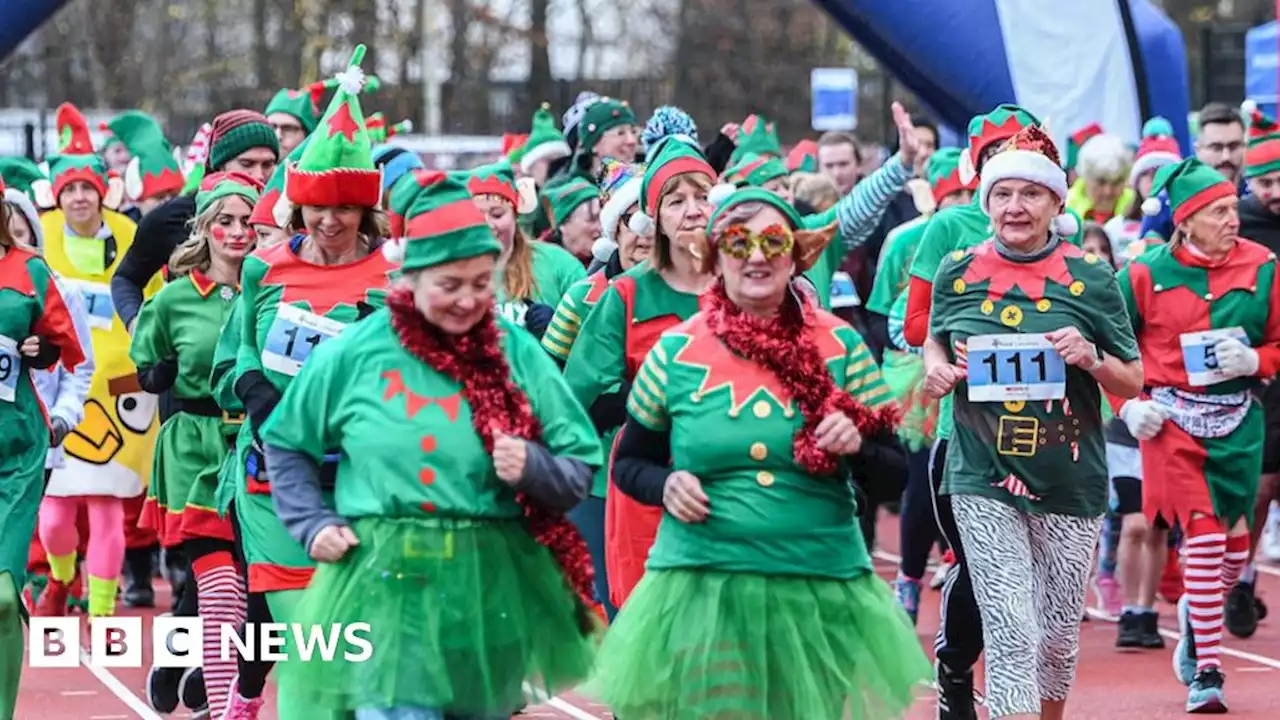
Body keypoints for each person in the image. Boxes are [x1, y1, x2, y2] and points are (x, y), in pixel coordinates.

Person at [261, 170, 600, 718]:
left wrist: (533, 465)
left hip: (488, 583)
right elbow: (286, 440)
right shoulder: (357, 352)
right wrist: (311, 522)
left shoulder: (515, 350)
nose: (468, 300)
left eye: (480, 283)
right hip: (382, 578)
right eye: (449, 284)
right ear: (409, 277)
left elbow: (578, 460)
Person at [592, 186, 928, 718]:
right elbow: (632, 462)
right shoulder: (677, 349)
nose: (755, 256)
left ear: (796, 256)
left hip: (817, 581)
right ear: (714, 256)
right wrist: (666, 485)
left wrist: (858, 446)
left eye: (772, 242)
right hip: (704, 582)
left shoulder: (841, 346)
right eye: (737, 241)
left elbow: (894, 478)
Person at [923, 124, 1143, 720]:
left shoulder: (1092, 277)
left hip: (1069, 474)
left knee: (1055, 638)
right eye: (1002, 195)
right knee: (1011, 625)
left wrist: (1090, 357)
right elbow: (933, 342)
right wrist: (939, 368)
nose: (1015, 207)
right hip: (981, 472)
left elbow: (1132, 378)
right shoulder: (957, 270)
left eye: (1030, 194)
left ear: (1055, 202)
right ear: (986, 201)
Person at [225, 46, 397, 720]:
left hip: (361, 481)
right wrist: (264, 403)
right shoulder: (262, 270)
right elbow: (241, 354)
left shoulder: (395, 278)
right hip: (276, 484)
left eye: (345, 210)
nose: (329, 222)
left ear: (367, 212)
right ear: (297, 207)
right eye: (316, 209)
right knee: (309, 647)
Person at [1116, 157, 1280, 713]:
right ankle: (1206, 671)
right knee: (1205, 538)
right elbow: (1109, 348)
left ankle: (1196, 612)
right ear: (1185, 221)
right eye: (1218, 211)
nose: (1233, 219)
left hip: (1238, 422)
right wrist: (1127, 405)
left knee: (1235, 547)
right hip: (1169, 425)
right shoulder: (1142, 274)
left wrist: (1256, 357)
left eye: (1234, 207)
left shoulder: (1264, 267)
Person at [131, 174, 261, 716]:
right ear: (203, 229)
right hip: (195, 448)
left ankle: (204, 672)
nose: (237, 232)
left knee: (250, 586)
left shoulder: (271, 287)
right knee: (217, 582)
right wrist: (157, 374)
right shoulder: (174, 299)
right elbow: (145, 366)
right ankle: (216, 693)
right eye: (224, 221)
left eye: (247, 221)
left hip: (253, 444)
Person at [33, 102, 158, 620]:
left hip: (118, 397)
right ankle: (62, 579)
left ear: (101, 190)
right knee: (55, 512)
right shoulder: (41, 238)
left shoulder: (130, 237)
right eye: (71, 189)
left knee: (106, 510)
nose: (80, 197)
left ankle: (104, 612)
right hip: (58, 395)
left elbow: (153, 302)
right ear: (59, 194)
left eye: (88, 187)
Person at [0, 176, 87, 719]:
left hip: (15, 447)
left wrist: (41, 348)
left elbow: (67, 349)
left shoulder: (29, 269)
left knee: (4, 597)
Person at [110, 109, 281, 331]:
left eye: (268, 165)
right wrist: (137, 325)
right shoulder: (172, 217)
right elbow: (126, 279)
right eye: (247, 164)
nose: (259, 175)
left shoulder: (285, 219)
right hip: (183, 359)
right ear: (219, 165)